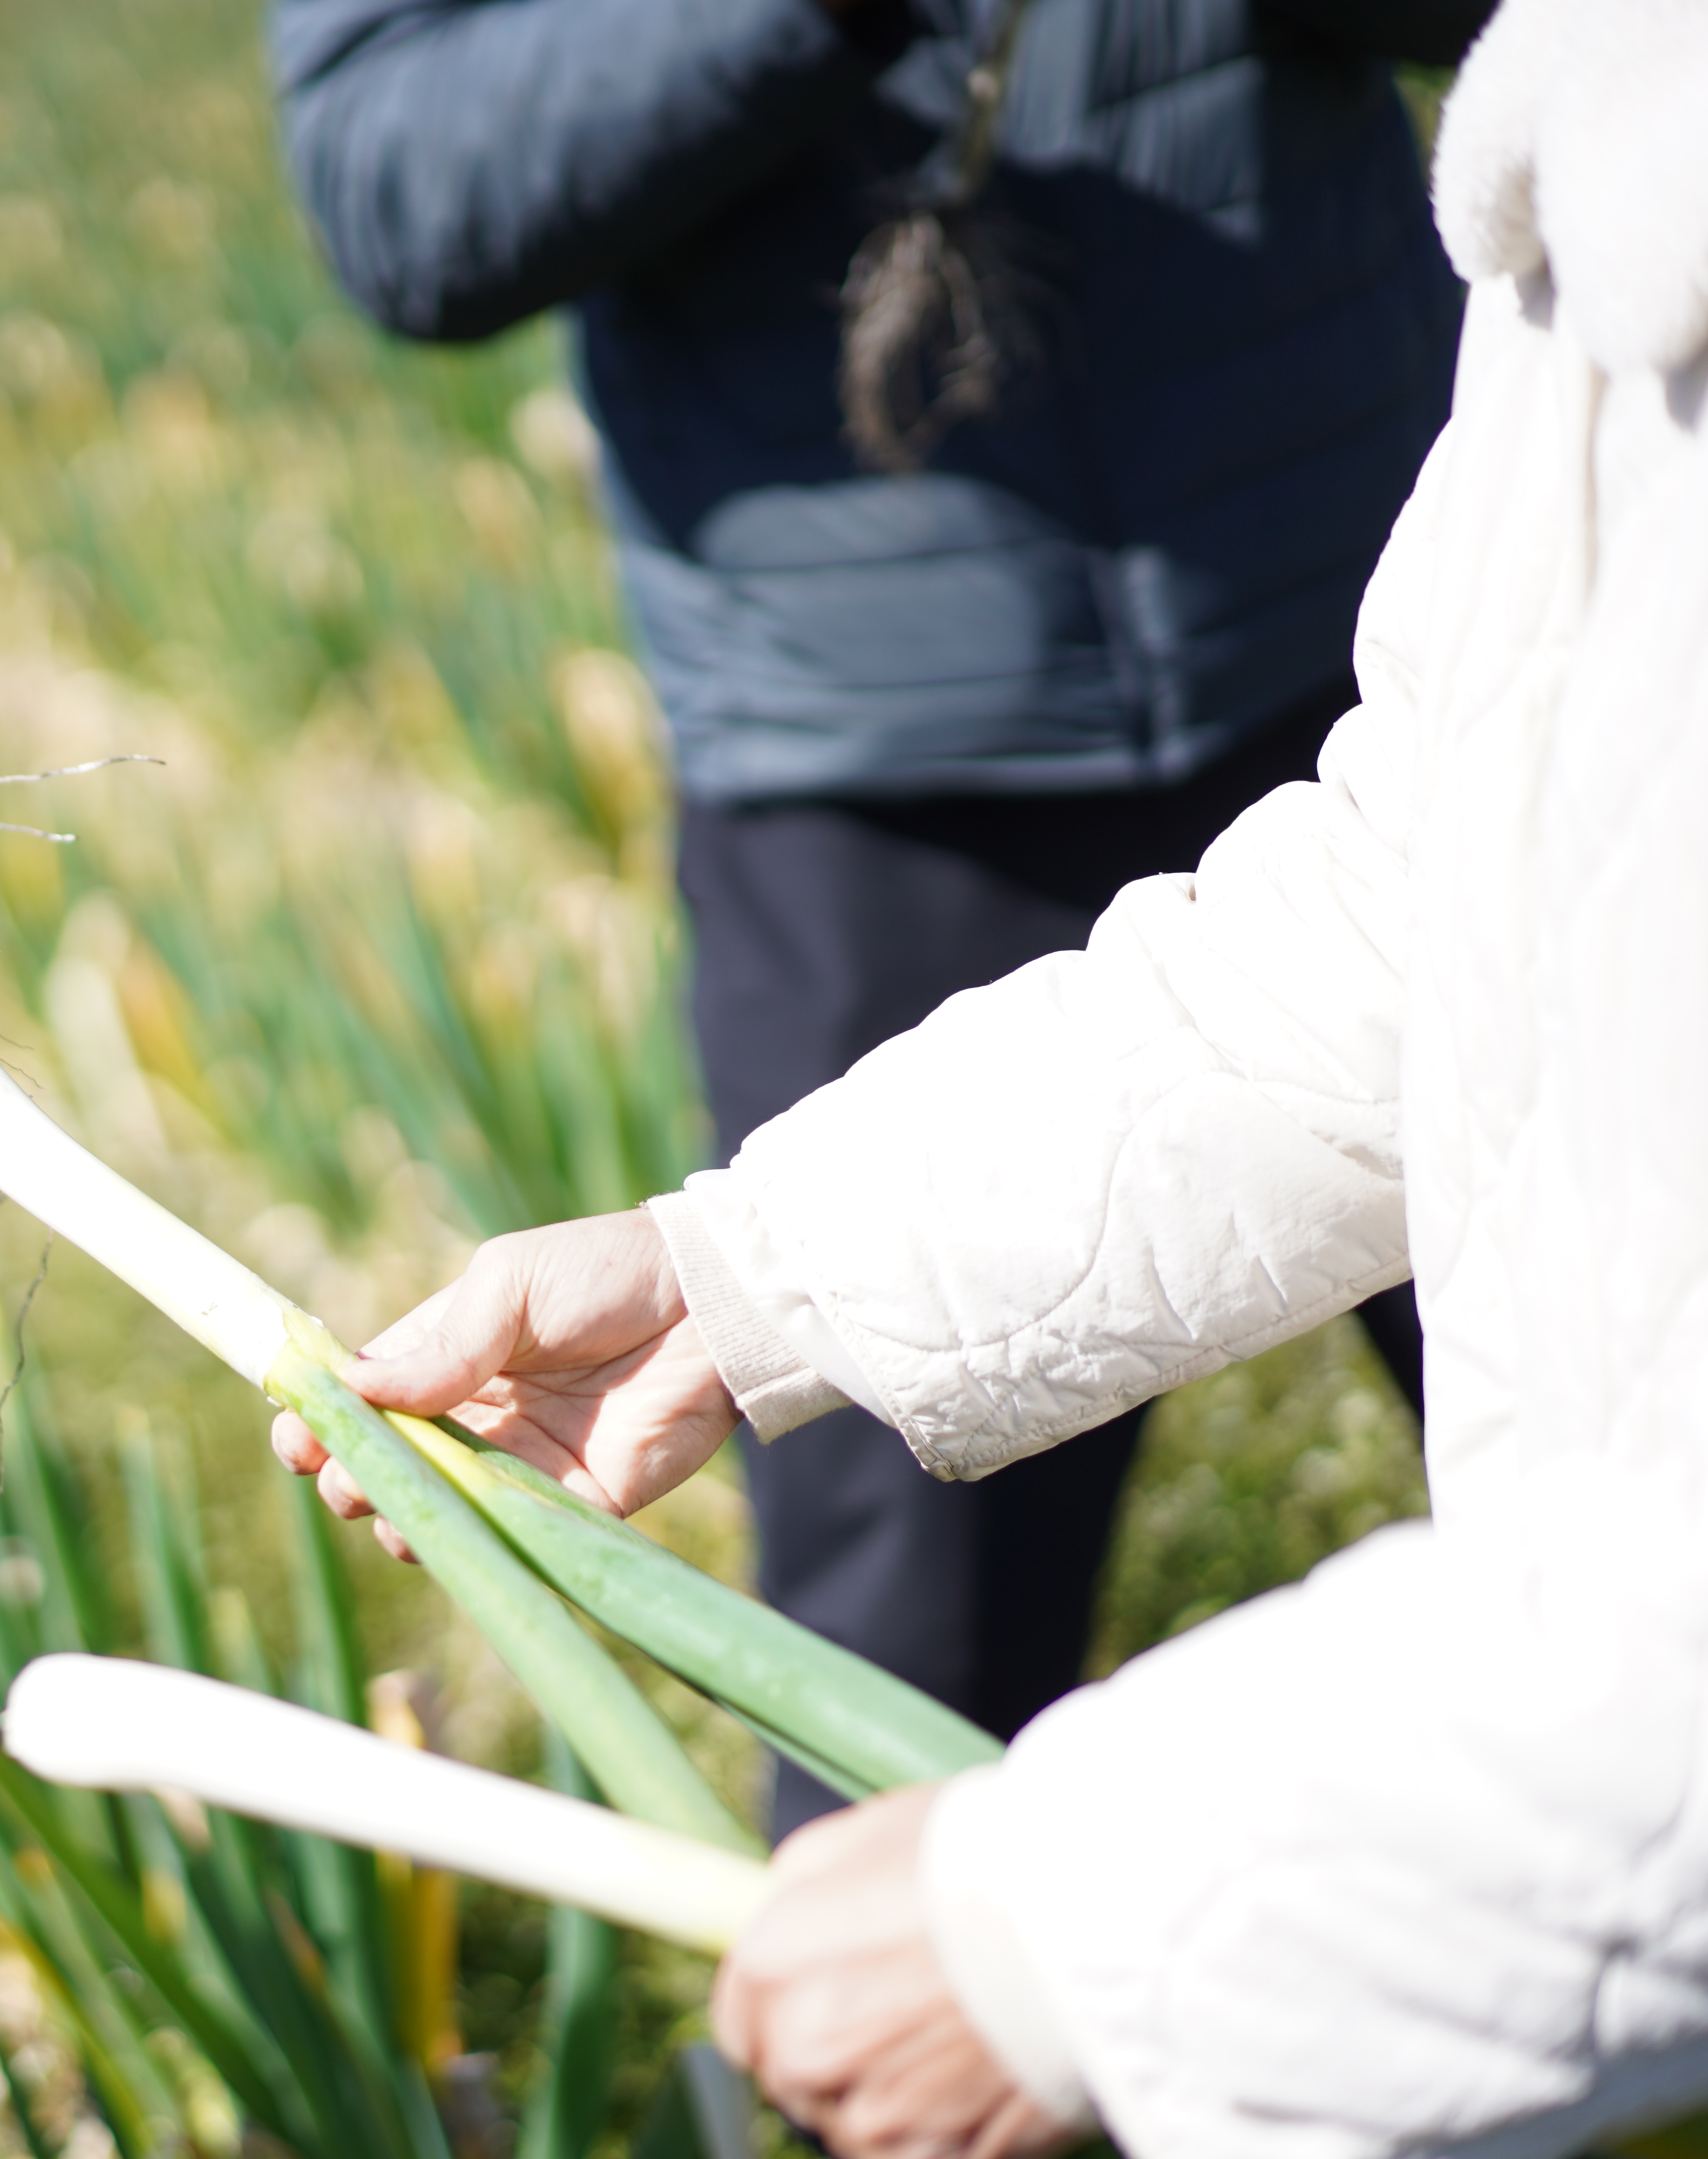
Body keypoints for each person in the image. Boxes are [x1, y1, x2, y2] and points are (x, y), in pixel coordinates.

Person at [270, 0, 1708, 2148]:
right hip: (889, 749)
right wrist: (751, 1270)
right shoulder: (1609, 219)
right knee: (901, 1680)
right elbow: (1448, 894)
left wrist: (1065, 1939)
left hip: (1291, 580)